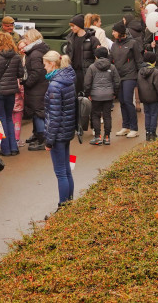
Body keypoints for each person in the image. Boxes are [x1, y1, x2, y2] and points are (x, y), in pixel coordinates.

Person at [42, 51, 77, 209]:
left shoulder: (55, 85)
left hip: (58, 133)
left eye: (45, 64)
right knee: (67, 171)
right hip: (67, 130)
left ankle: (63, 206)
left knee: (61, 172)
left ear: (52, 64)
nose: (44, 67)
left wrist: (49, 140)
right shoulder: (68, 80)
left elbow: (54, 116)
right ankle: (69, 203)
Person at [0, 32, 24, 155]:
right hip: (11, 91)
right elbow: (20, 74)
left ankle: (5, 149)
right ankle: (14, 148)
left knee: (1, 119)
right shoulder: (16, 56)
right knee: (9, 118)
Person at [110, 21, 143, 137]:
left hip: (130, 76)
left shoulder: (133, 43)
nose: (112, 33)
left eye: (114, 31)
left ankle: (134, 128)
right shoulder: (113, 45)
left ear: (120, 32)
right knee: (122, 102)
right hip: (118, 77)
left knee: (128, 101)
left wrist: (140, 76)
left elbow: (139, 60)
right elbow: (111, 60)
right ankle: (126, 126)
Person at [21, 29, 51, 151]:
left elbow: (37, 72)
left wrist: (27, 83)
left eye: (26, 38)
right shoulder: (39, 51)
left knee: (38, 112)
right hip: (41, 86)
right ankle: (39, 135)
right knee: (38, 112)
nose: (25, 41)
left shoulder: (34, 54)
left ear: (32, 39)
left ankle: (42, 139)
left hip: (36, 88)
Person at [84, 46, 120, 145]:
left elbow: (87, 83)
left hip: (95, 95)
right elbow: (117, 82)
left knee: (95, 115)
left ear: (96, 56)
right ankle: (107, 137)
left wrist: (88, 94)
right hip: (109, 95)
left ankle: (97, 137)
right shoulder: (112, 67)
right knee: (107, 116)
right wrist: (115, 93)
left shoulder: (92, 67)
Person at [137, 51, 158, 141]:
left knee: (147, 114)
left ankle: (147, 133)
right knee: (154, 114)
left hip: (144, 97)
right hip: (154, 97)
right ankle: (153, 133)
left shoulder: (140, 71)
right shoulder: (156, 72)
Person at [65, 13, 97, 97]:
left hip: (86, 73)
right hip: (73, 72)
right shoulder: (70, 39)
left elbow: (98, 56)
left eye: (73, 26)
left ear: (79, 25)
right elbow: (68, 54)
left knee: (85, 98)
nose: (71, 28)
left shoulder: (92, 39)